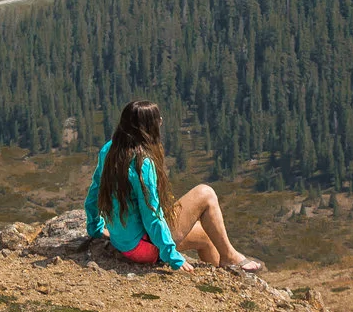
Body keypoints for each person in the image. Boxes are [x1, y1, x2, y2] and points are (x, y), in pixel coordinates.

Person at [86, 99, 264, 273]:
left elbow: (95, 191)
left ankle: (221, 271)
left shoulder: (109, 149)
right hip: (141, 247)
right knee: (205, 193)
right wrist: (172, 256)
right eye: (158, 119)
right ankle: (229, 259)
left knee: (207, 236)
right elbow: (152, 215)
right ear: (146, 127)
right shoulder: (142, 164)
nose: (161, 121)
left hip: (123, 240)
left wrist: (94, 227)